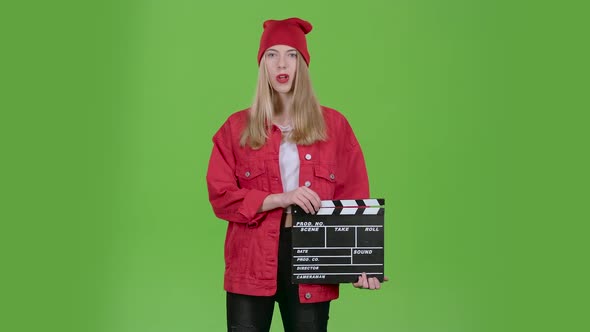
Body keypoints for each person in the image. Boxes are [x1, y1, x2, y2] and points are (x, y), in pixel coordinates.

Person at [206, 17, 387, 332]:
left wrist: (363, 263)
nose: (281, 63)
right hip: (251, 258)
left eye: (291, 54)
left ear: (303, 64)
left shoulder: (335, 127)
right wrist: (280, 198)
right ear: (263, 65)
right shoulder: (236, 129)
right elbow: (221, 197)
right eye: (272, 54)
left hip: (313, 257)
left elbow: (354, 194)